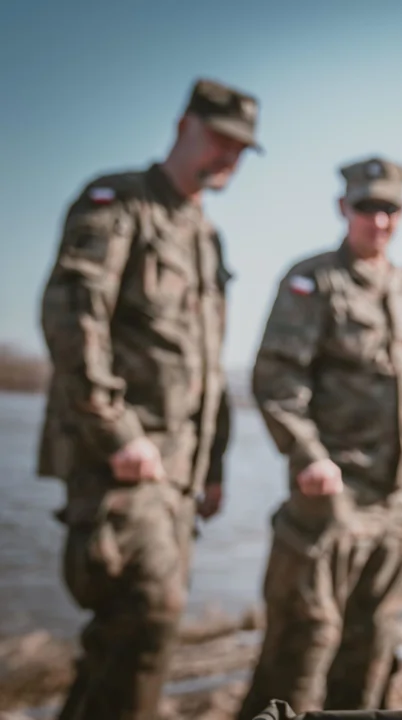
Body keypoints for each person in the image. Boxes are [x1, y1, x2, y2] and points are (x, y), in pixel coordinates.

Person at [36, 77, 260, 720]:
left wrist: (212, 468)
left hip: (178, 473)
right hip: (123, 461)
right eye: (219, 139)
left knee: (125, 636)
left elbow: (207, 367)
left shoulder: (205, 235)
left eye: (241, 148)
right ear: (184, 126)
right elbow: (73, 317)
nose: (229, 156)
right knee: (149, 616)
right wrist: (117, 433)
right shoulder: (120, 201)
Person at [235, 157, 402, 717]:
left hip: (399, 502)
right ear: (344, 208)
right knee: (301, 646)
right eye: (368, 207)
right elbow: (276, 378)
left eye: (390, 209)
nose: (380, 220)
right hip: (332, 498)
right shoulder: (314, 280)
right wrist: (308, 456)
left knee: (373, 649)